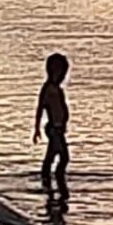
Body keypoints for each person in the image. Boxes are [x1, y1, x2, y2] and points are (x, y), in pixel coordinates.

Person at [32, 53, 71, 199]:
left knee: (52, 155)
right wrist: (36, 129)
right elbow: (40, 108)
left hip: (59, 128)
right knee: (63, 157)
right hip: (53, 129)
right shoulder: (48, 89)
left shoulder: (58, 89)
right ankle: (56, 180)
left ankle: (48, 179)